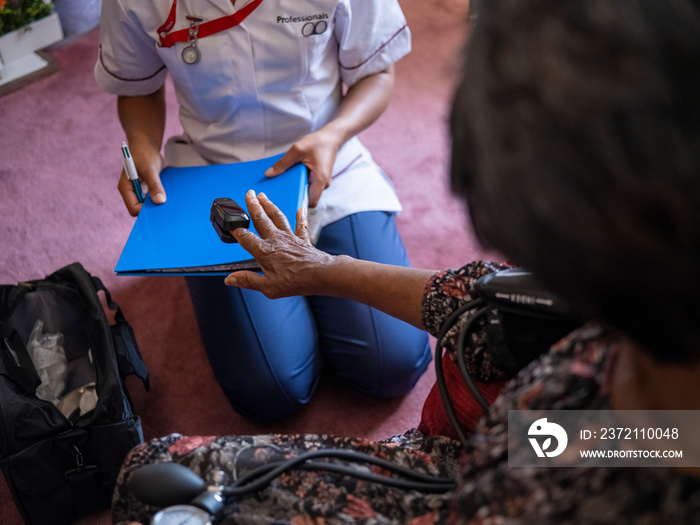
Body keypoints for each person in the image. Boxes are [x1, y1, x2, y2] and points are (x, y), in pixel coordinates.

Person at [113, 0, 700, 523]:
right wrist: (321, 269)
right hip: (490, 454)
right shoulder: (649, 411)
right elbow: (487, 306)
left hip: (462, 483)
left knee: (150, 482)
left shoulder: (566, 490)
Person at [94, 0, 432, 422]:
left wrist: (334, 135)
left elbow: (377, 72)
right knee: (270, 393)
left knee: (392, 366)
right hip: (214, 183)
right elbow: (137, 86)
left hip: (326, 167)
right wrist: (143, 149)